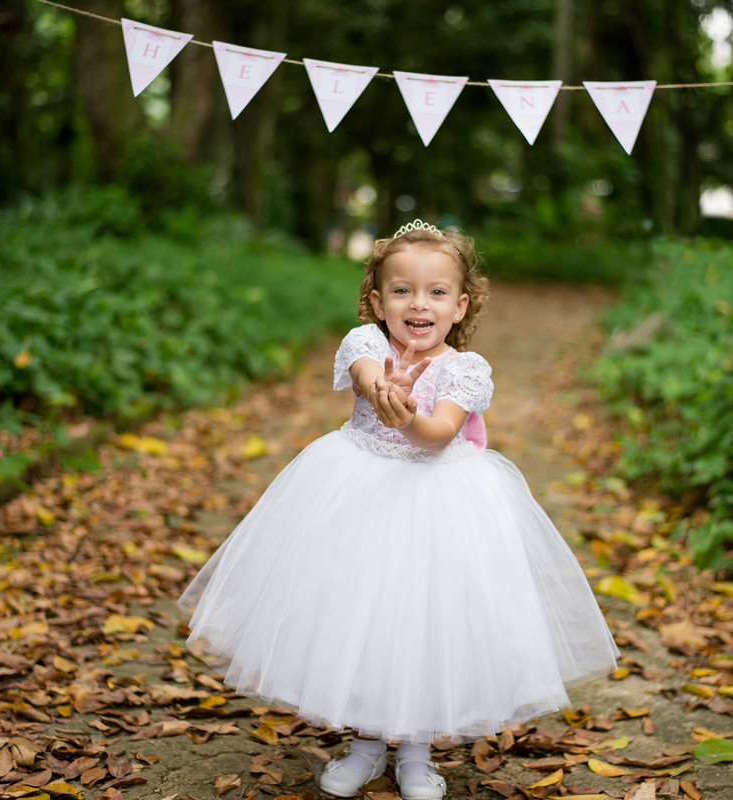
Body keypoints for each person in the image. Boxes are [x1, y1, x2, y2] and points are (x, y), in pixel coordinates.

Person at [178, 220, 619, 800]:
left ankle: (415, 751)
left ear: (460, 307)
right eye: (402, 290)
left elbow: (438, 434)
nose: (419, 304)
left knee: (424, 621)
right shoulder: (365, 345)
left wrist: (409, 415)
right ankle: (363, 745)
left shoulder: (467, 369)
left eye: (437, 293)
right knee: (361, 613)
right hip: (359, 497)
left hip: (441, 506)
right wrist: (384, 390)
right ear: (377, 300)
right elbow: (366, 380)